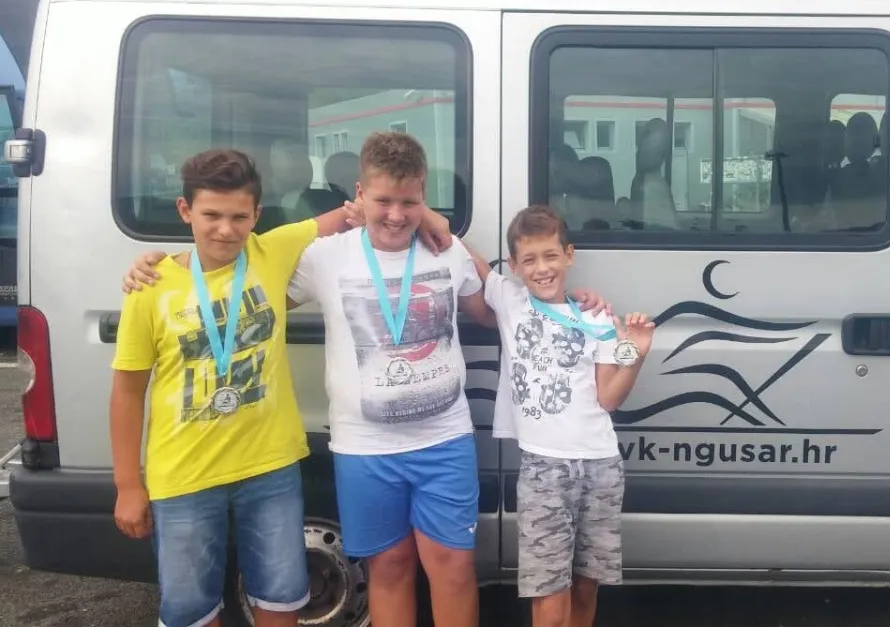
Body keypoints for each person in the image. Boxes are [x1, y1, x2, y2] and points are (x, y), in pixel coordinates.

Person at [119, 131, 611, 627]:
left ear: (424, 199)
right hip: (363, 448)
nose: (396, 215)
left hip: (444, 441)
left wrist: (569, 305)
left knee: (452, 568)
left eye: (410, 203)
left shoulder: (446, 250)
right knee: (389, 567)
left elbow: (499, 310)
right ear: (360, 194)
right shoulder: (324, 256)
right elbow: (242, 295)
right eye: (383, 201)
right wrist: (165, 267)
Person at [108, 148, 367, 627]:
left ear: (256, 216)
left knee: (282, 597)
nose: (226, 230)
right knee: (190, 610)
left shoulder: (272, 251)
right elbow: (127, 391)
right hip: (184, 476)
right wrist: (127, 484)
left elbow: (357, 213)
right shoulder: (150, 288)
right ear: (185, 210)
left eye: (238, 217)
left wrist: (432, 221)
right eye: (211, 215)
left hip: (269, 469)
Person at [460, 204, 656, 627]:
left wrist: (636, 355)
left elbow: (609, 399)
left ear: (569, 255)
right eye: (529, 259)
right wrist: (419, 217)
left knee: (586, 586)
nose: (542, 268)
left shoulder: (597, 317)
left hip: (601, 466)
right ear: (514, 266)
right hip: (544, 469)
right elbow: (461, 251)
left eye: (551, 255)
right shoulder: (509, 300)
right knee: (549, 593)